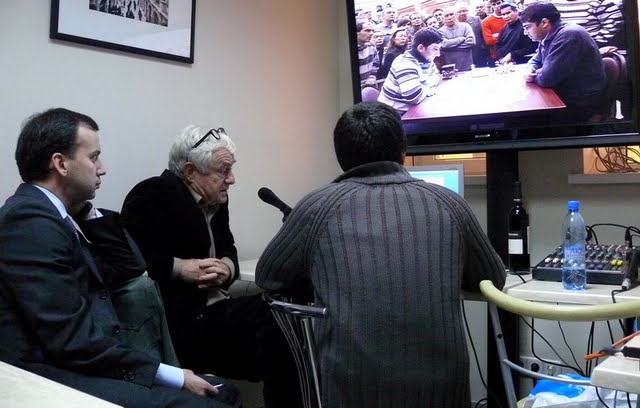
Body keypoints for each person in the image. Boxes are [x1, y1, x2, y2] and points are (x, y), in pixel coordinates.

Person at [255, 101, 507, 408]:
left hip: (351, 393)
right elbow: (493, 278)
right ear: (403, 150)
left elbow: (268, 276)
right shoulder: (449, 203)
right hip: (442, 395)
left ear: (340, 157)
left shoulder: (317, 206)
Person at [0, 108, 239, 408]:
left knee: (225, 392)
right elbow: (71, 341)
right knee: (211, 400)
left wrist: (86, 211)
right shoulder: (28, 222)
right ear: (60, 164)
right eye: (94, 157)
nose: (102, 169)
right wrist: (174, 376)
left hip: (87, 361)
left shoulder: (58, 215)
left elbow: (132, 267)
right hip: (51, 377)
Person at [121, 125, 301, 408]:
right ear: (190, 171)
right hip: (184, 322)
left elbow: (229, 248)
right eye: (223, 170)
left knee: (289, 307)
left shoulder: (216, 199)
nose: (232, 179)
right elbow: (128, 259)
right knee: (278, 327)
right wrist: (179, 268)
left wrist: (227, 268)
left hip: (217, 310)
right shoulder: (152, 193)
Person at [521, 2, 607, 122]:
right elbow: (536, 59)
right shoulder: (548, 35)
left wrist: (534, 75)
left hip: (581, 102)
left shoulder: (568, 35)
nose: (525, 33)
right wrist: (530, 69)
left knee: (523, 119)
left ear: (544, 22)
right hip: (566, 93)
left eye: (527, 27)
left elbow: (547, 79)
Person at [377, 27, 443, 116]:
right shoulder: (405, 63)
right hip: (394, 115)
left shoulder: (426, 59)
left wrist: (423, 86)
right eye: (435, 49)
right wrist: (429, 87)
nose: (438, 54)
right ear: (421, 48)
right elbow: (414, 97)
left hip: (411, 109)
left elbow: (436, 75)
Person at [549, 0, 623, 48]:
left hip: (589, 47)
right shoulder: (554, 0)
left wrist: (594, 46)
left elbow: (614, 22)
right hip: (559, 46)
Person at [438, 5, 475, 71]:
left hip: (467, 65)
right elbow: (444, 44)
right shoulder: (440, 31)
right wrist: (461, 39)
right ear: (443, 18)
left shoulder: (466, 26)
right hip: (450, 68)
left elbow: (471, 42)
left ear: (455, 15)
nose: (450, 17)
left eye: (451, 14)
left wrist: (450, 48)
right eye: (446, 16)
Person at [481, 0, 507, 65]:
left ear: (503, 2)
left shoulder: (510, 17)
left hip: (512, 53)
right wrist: (506, 36)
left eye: (498, 3)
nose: (496, 6)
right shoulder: (486, 21)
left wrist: (497, 35)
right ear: (491, 6)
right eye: (494, 4)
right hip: (496, 55)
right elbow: (489, 41)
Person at [355, 22, 380, 87]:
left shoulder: (371, 46)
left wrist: (372, 77)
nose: (371, 33)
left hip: (369, 84)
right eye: (367, 31)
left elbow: (375, 63)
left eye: (372, 31)